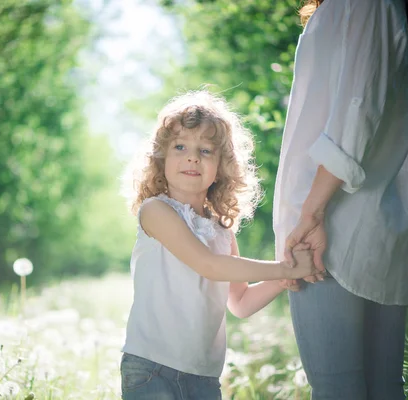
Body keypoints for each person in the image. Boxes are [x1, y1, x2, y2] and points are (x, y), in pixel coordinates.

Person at [273, 0, 408, 399]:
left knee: (337, 389)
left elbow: (354, 113)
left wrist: (312, 211)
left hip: (333, 230)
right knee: (380, 389)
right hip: (373, 224)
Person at [120, 90, 317, 400]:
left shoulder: (221, 230)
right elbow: (208, 265)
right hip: (151, 367)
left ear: (221, 167)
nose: (192, 157)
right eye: (180, 146)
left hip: (204, 375)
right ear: (161, 158)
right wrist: (285, 266)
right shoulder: (156, 211)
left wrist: (285, 278)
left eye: (206, 151)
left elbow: (240, 303)